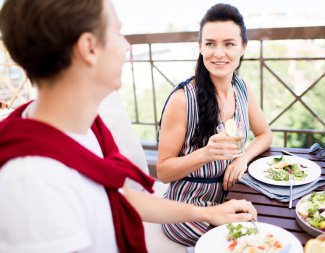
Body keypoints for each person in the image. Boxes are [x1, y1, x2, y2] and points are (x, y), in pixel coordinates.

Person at [0, 0, 258, 252]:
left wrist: (208, 212)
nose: (126, 46)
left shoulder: (86, 129)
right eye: (118, 33)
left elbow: (119, 196)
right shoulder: (32, 185)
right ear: (89, 48)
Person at [157, 3, 273, 246]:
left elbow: (265, 135)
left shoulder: (241, 88)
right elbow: (164, 172)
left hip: (230, 195)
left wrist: (242, 159)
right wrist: (206, 154)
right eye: (210, 44)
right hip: (188, 209)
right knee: (249, 241)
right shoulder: (182, 99)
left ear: (243, 48)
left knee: (272, 223)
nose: (218, 53)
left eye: (229, 44)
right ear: (200, 47)